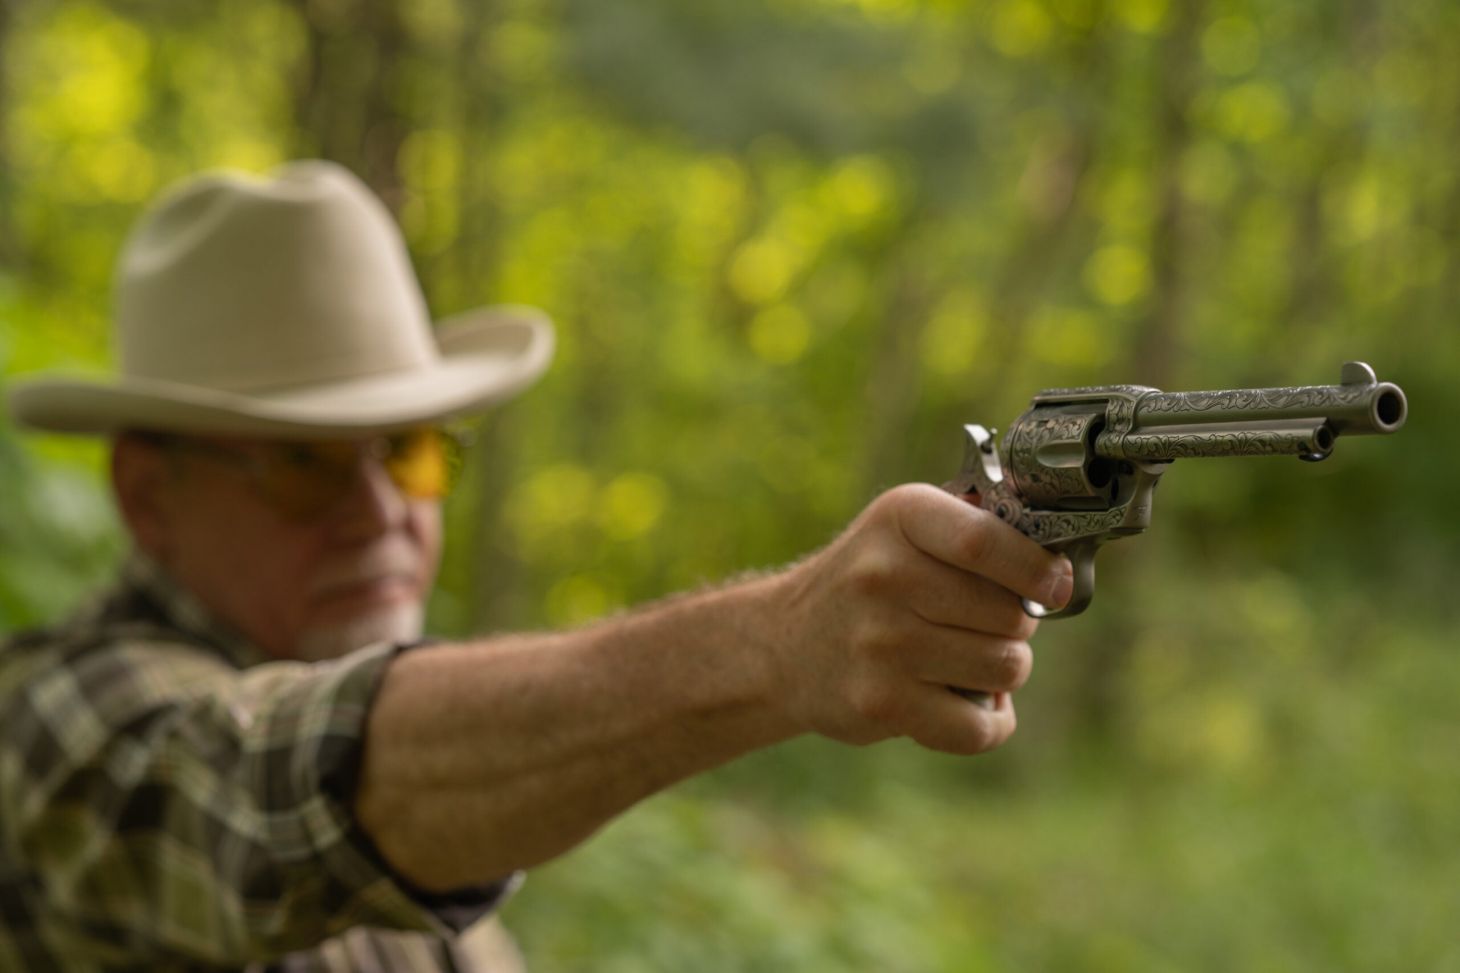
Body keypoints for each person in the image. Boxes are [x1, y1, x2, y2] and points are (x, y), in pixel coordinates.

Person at [0, 160, 1073, 971]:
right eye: (302, 464)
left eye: (410, 449)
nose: (382, 510)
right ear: (150, 495)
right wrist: (776, 644)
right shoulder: (53, 729)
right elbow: (272, 779)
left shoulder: (445, 820)